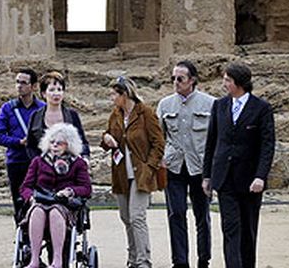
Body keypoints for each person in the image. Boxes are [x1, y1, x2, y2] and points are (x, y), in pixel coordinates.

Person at [202, 63, 276, 268]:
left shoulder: (261, 108)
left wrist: (260, 176)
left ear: (239, 83)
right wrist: (207, 175)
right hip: (224, 178)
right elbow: (211, 142)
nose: (224, 84)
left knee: (248, 230)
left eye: (228, 80)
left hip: (250, 179)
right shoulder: (219, 105)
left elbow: (267, 145)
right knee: (230, 228)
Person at [101, 76, 165, 268]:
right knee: (126, 217)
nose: (111, 98)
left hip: (141, 174)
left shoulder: (146, 113)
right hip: (121, 173)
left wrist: (149, 166)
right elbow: (108, 137)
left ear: (125, 94)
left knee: (137, 216)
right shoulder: (115, 114)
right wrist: (107, 139)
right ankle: (133, 258)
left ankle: (143, 261)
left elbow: (158, 143)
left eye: (114, 94)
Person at [157, 61, 216, 268]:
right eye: (173, 78)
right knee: (176, 213)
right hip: (174, 167)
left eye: (180, 78)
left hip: (200, 167)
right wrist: (161, 158)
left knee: (202, 215)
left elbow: (216, 138)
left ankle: (203, 259)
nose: (176, 82)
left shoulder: (210, 104)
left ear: (192, 80)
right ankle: (180, 262)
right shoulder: (165, 104)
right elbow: (159, 137)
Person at [19, 122, 93, 268]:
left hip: (64, 205)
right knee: (37, 211)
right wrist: (30, 197)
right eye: (52, 142)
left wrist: (70, 191)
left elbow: (86, 189)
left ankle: (57, 261)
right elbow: (25, 187)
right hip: (41, 200)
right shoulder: (38, 161)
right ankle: (34, 260)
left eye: (59, 143)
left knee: (55, 212)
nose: (54, 145)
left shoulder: (78, 163)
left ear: (69, 144)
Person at [0, 68, 46, 223]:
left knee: (41, 201)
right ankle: (21, 232)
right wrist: (18, 142)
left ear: (33, 86)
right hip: (16, 161)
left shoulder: (43, 108)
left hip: (38, 161)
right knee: (19, 202)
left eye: (24, 83)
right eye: (17, 82)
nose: (19, 86)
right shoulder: (8, 108)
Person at [26, 71, 90, 160]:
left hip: (70, 163)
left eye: (59, 89)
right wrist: (39, 161)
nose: (56, 93)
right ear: (44, 93)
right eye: (52, 90)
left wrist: (85, 159)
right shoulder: (35, 116)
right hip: (44, 164)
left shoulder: (72, 115)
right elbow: (30, 146)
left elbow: (82, 142)